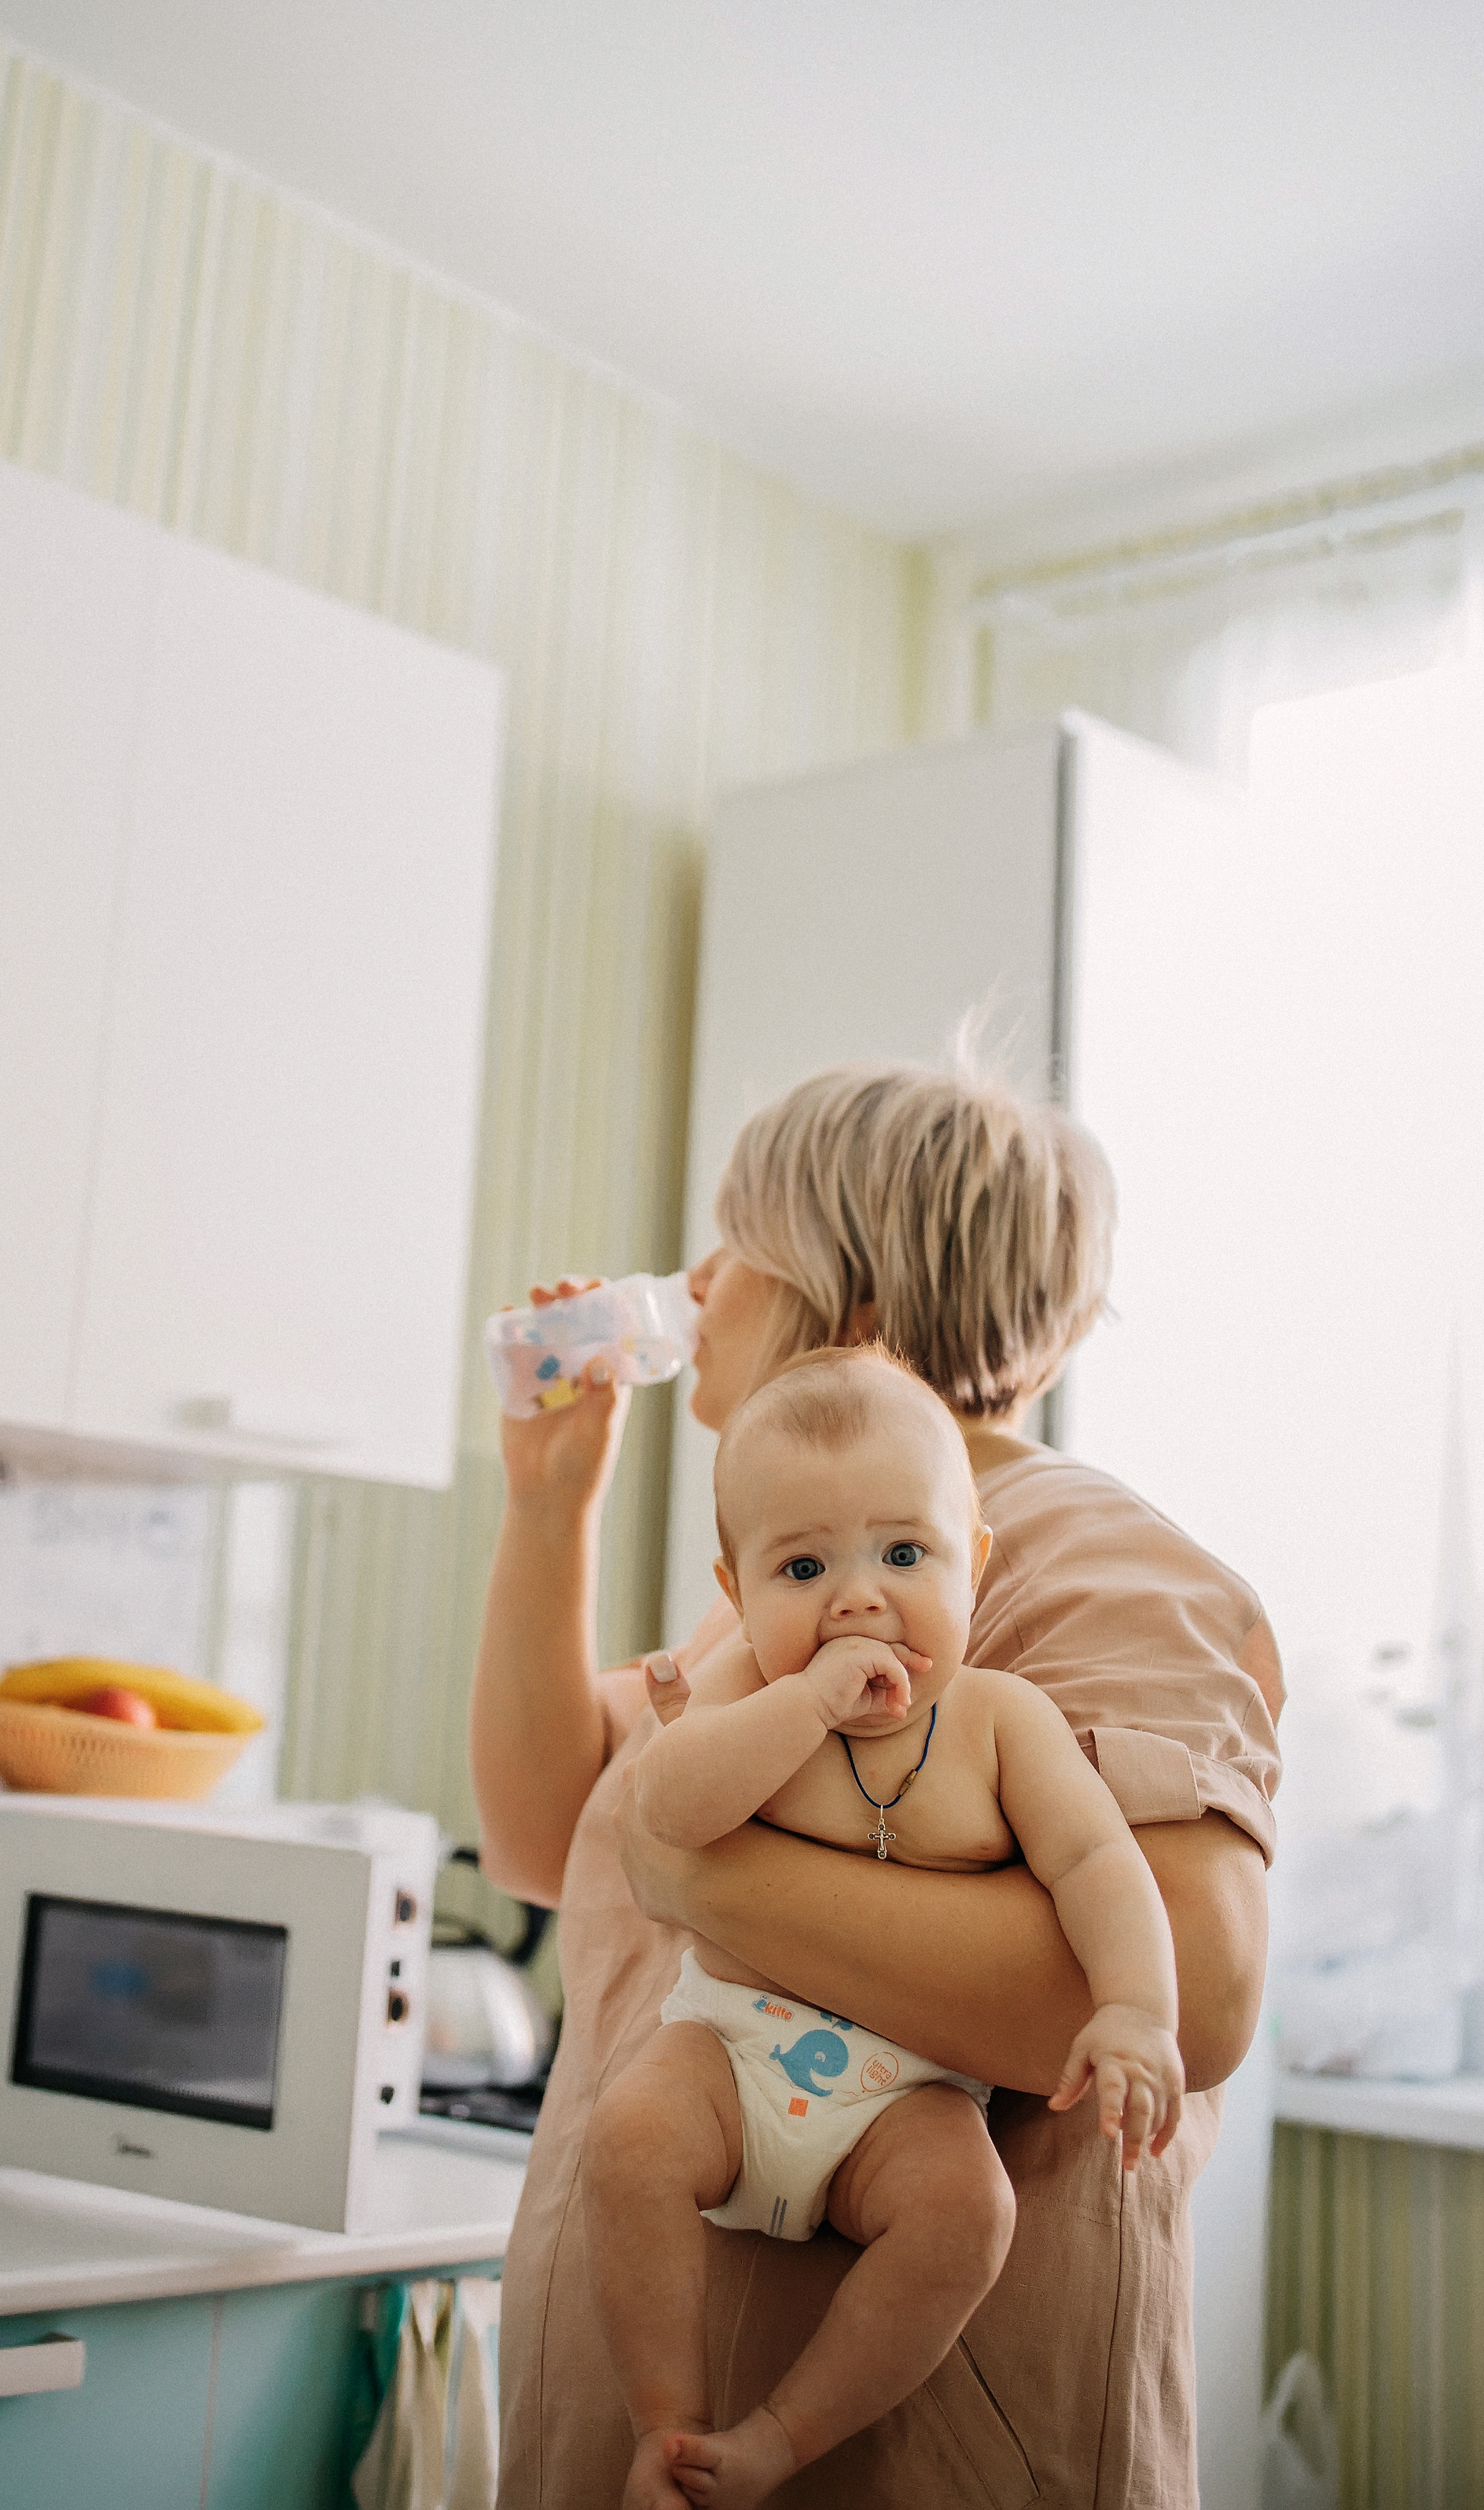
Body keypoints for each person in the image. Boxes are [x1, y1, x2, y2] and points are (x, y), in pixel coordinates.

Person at [471, 1058, 1282, 2510]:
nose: (696, 1283)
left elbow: (1201, 1987)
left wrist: (708, 1872)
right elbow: (545, 1836)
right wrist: (548, 1509)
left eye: (736, 1243)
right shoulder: (791, 1594)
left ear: (846, 1299)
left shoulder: (1094, 1569)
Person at [582, 1343, 1185, 2509]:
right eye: (804, 1566)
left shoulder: (1003, 1722)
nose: (858, 1597)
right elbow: (671, 1813)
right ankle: (669, 2427)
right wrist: (801, 1702)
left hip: (910, 2093)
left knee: (970, 2216)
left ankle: (778, 2440)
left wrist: (1134, 2008)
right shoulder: (748, 1687)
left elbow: (1098, 1864)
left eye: (905, 1554)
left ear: (975, 1564)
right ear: (738, 1592)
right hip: (730, 2049)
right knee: (629, 2141)